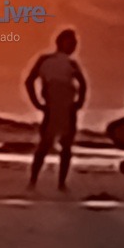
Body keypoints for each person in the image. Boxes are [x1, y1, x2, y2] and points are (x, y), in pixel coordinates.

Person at [25, 29, 88, 191]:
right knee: (45, 145)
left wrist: (79, 102)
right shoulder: (46, 60)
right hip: (52, 107)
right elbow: (29, 81)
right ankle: (33, 180)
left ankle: (61, 183)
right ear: (61, 42)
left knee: (66, 147)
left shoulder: (72, 64)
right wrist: (37, 103)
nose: (74, 46)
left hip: (67, 108)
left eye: (75, 43)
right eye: (71, 42)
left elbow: (83, 85)